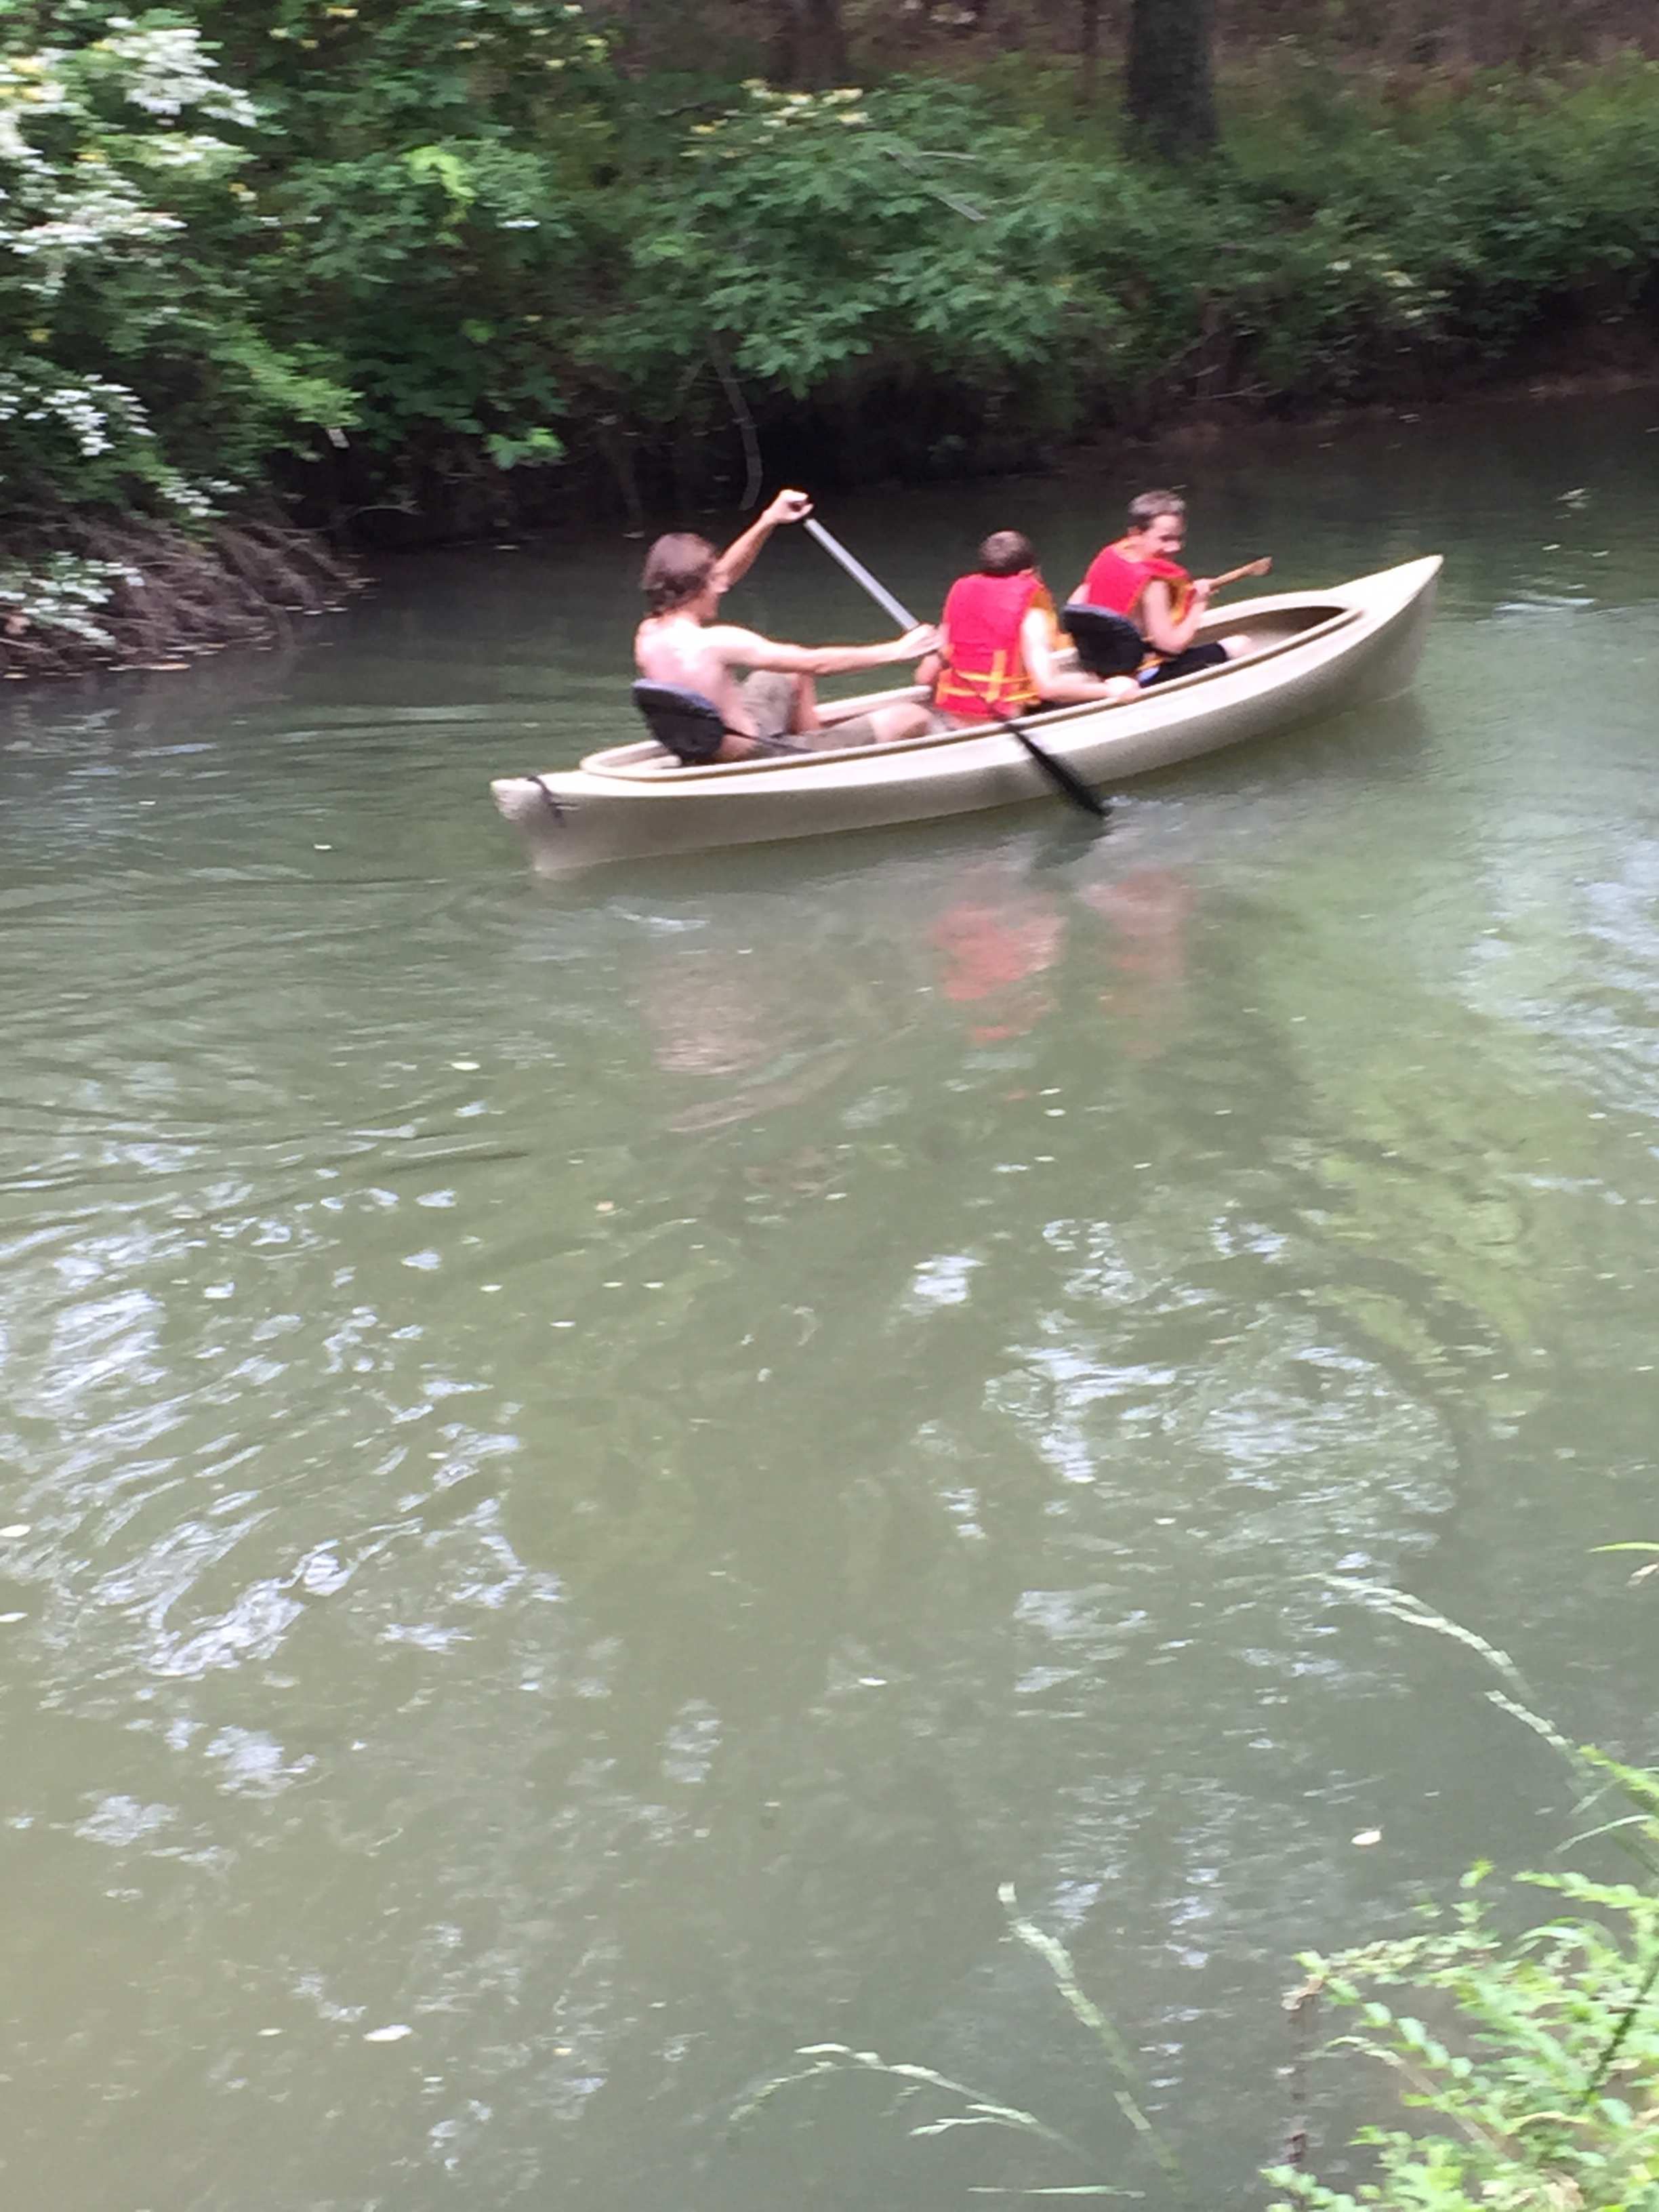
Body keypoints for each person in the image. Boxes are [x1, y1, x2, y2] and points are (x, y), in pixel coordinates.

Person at [634, 489, 936, 762]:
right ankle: (814, 759)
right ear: (693, 588)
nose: (723, 587)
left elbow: (724, 573)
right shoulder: (717, 643)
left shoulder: (648, 633)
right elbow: (817, 662)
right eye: (713, 582)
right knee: (912, 717)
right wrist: (897, 651)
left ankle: (813, 745)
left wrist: (769, 519)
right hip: (750, 755)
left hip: (718, 740)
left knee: (788, 673)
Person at [927, 530, 1140, 727]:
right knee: (1086, 680)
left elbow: (926, 675)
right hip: (1003, 719)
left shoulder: (961, 597)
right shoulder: (1031, 616)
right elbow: (1048, 688)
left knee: (1076, 680)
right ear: (1030, 572)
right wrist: (1110, 691)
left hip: (954, 716)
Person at [1077, 490, 1252, 685]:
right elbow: (1170, 647)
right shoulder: (1154, 582)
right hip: (1142, 674)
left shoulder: (1110, 556)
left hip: (1099, 666)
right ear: (1136, 534)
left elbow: (1075, 604)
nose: (1174, 547)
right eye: (1165, 539)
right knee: (1240, 645)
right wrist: (1199, 604)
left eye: (1178, 538)